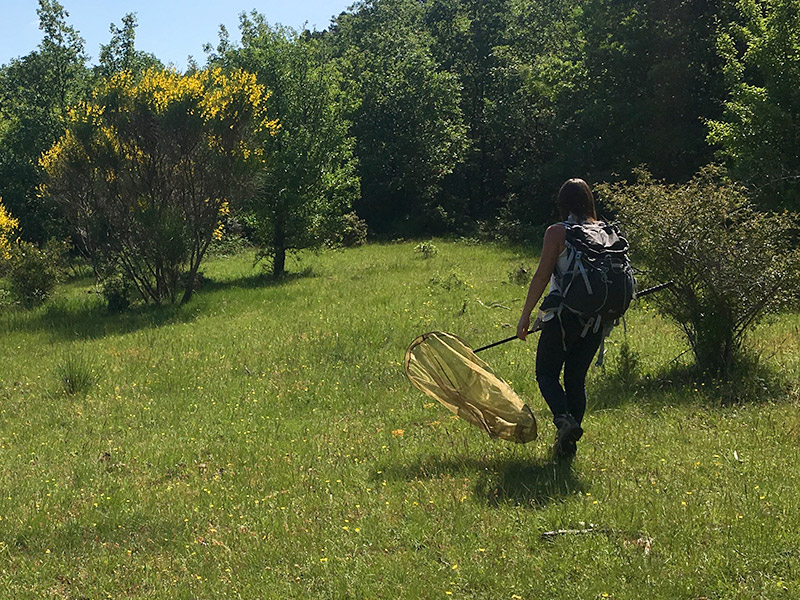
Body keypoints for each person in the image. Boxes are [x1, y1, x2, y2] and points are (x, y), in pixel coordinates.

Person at [516, 178, 605, 459]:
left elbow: (543, 276)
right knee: (576, 379)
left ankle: (564, 422)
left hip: (563, 318)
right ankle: (568, 447)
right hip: (596, 319)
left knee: (546, 373)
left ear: (563, 204)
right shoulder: (603, 232)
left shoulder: (557, 232)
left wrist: (526, 316)